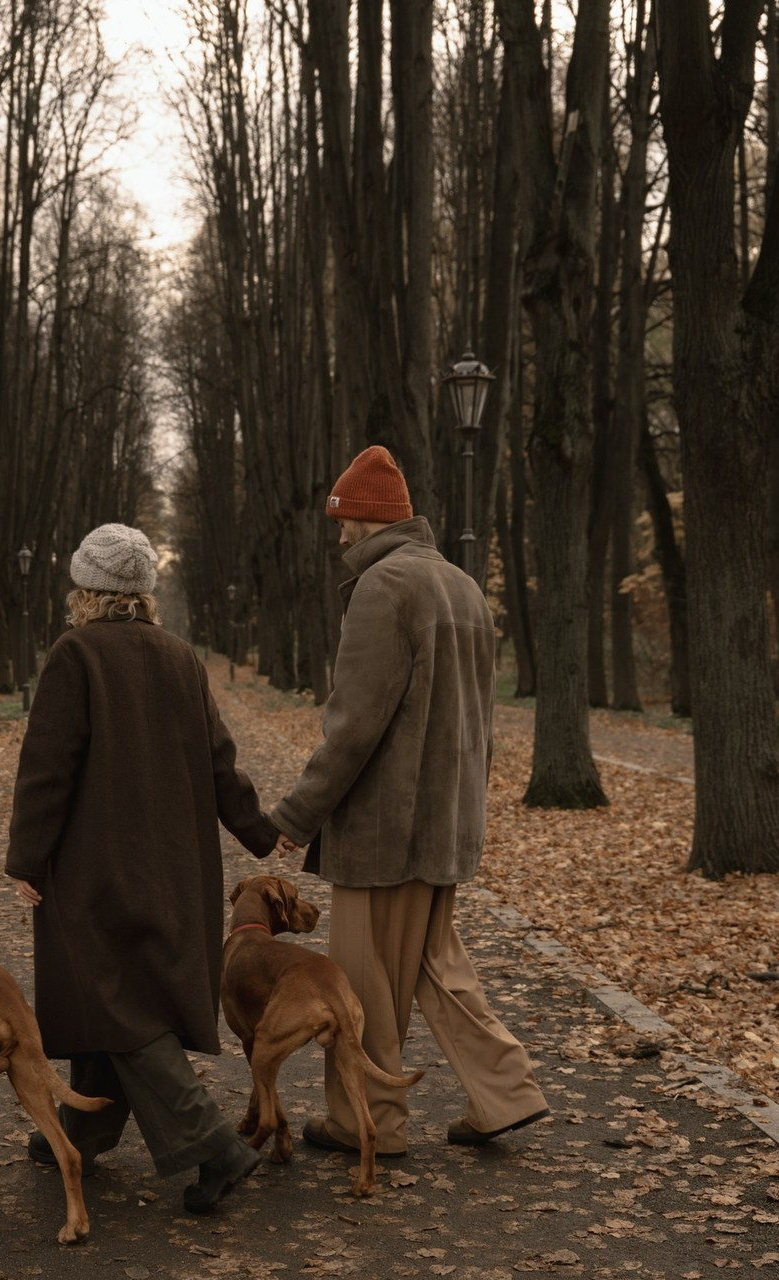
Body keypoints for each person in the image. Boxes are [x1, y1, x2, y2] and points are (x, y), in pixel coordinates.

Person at [269, 446, 549, 1158]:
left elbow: (353, 725)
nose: (337, 537)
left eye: (343, 521)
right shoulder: (460, 585)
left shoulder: (383, 588)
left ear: (368, 518)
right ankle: (506, 1091)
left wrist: (296, 817)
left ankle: (369, 1122)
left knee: (364, 985)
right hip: (446, 823)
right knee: (434, 965)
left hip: (385, 830)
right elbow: (483, 724)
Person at [5, 522, 282, 1214]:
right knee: (120, 993)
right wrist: (259, 830)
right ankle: (82, 1129)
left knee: (117, 1002)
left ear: (87, 590)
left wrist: (28, 857)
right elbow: (221, 761)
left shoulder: (76, 656)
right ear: (141, 594)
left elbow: (47, 770)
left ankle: (215, 1146)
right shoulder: (180, 656)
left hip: (98, 869)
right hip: (176, 865)